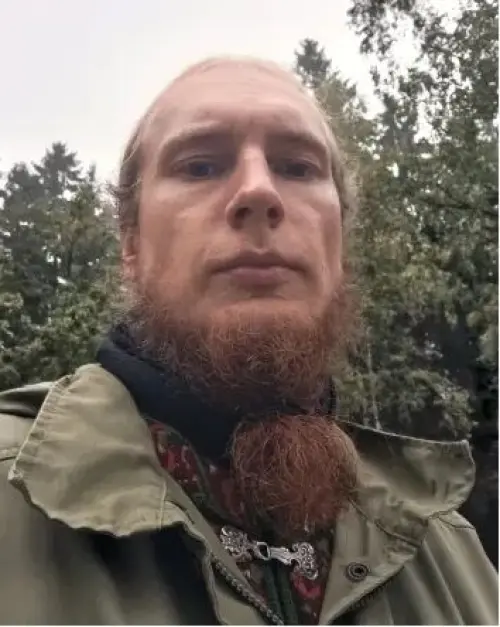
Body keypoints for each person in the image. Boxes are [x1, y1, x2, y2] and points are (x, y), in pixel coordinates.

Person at [0, 56, 497, 626]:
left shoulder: (448, 551)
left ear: (338, 241)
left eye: (297, 167)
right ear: (130, 245)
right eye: (201, 166)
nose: (259, 191)